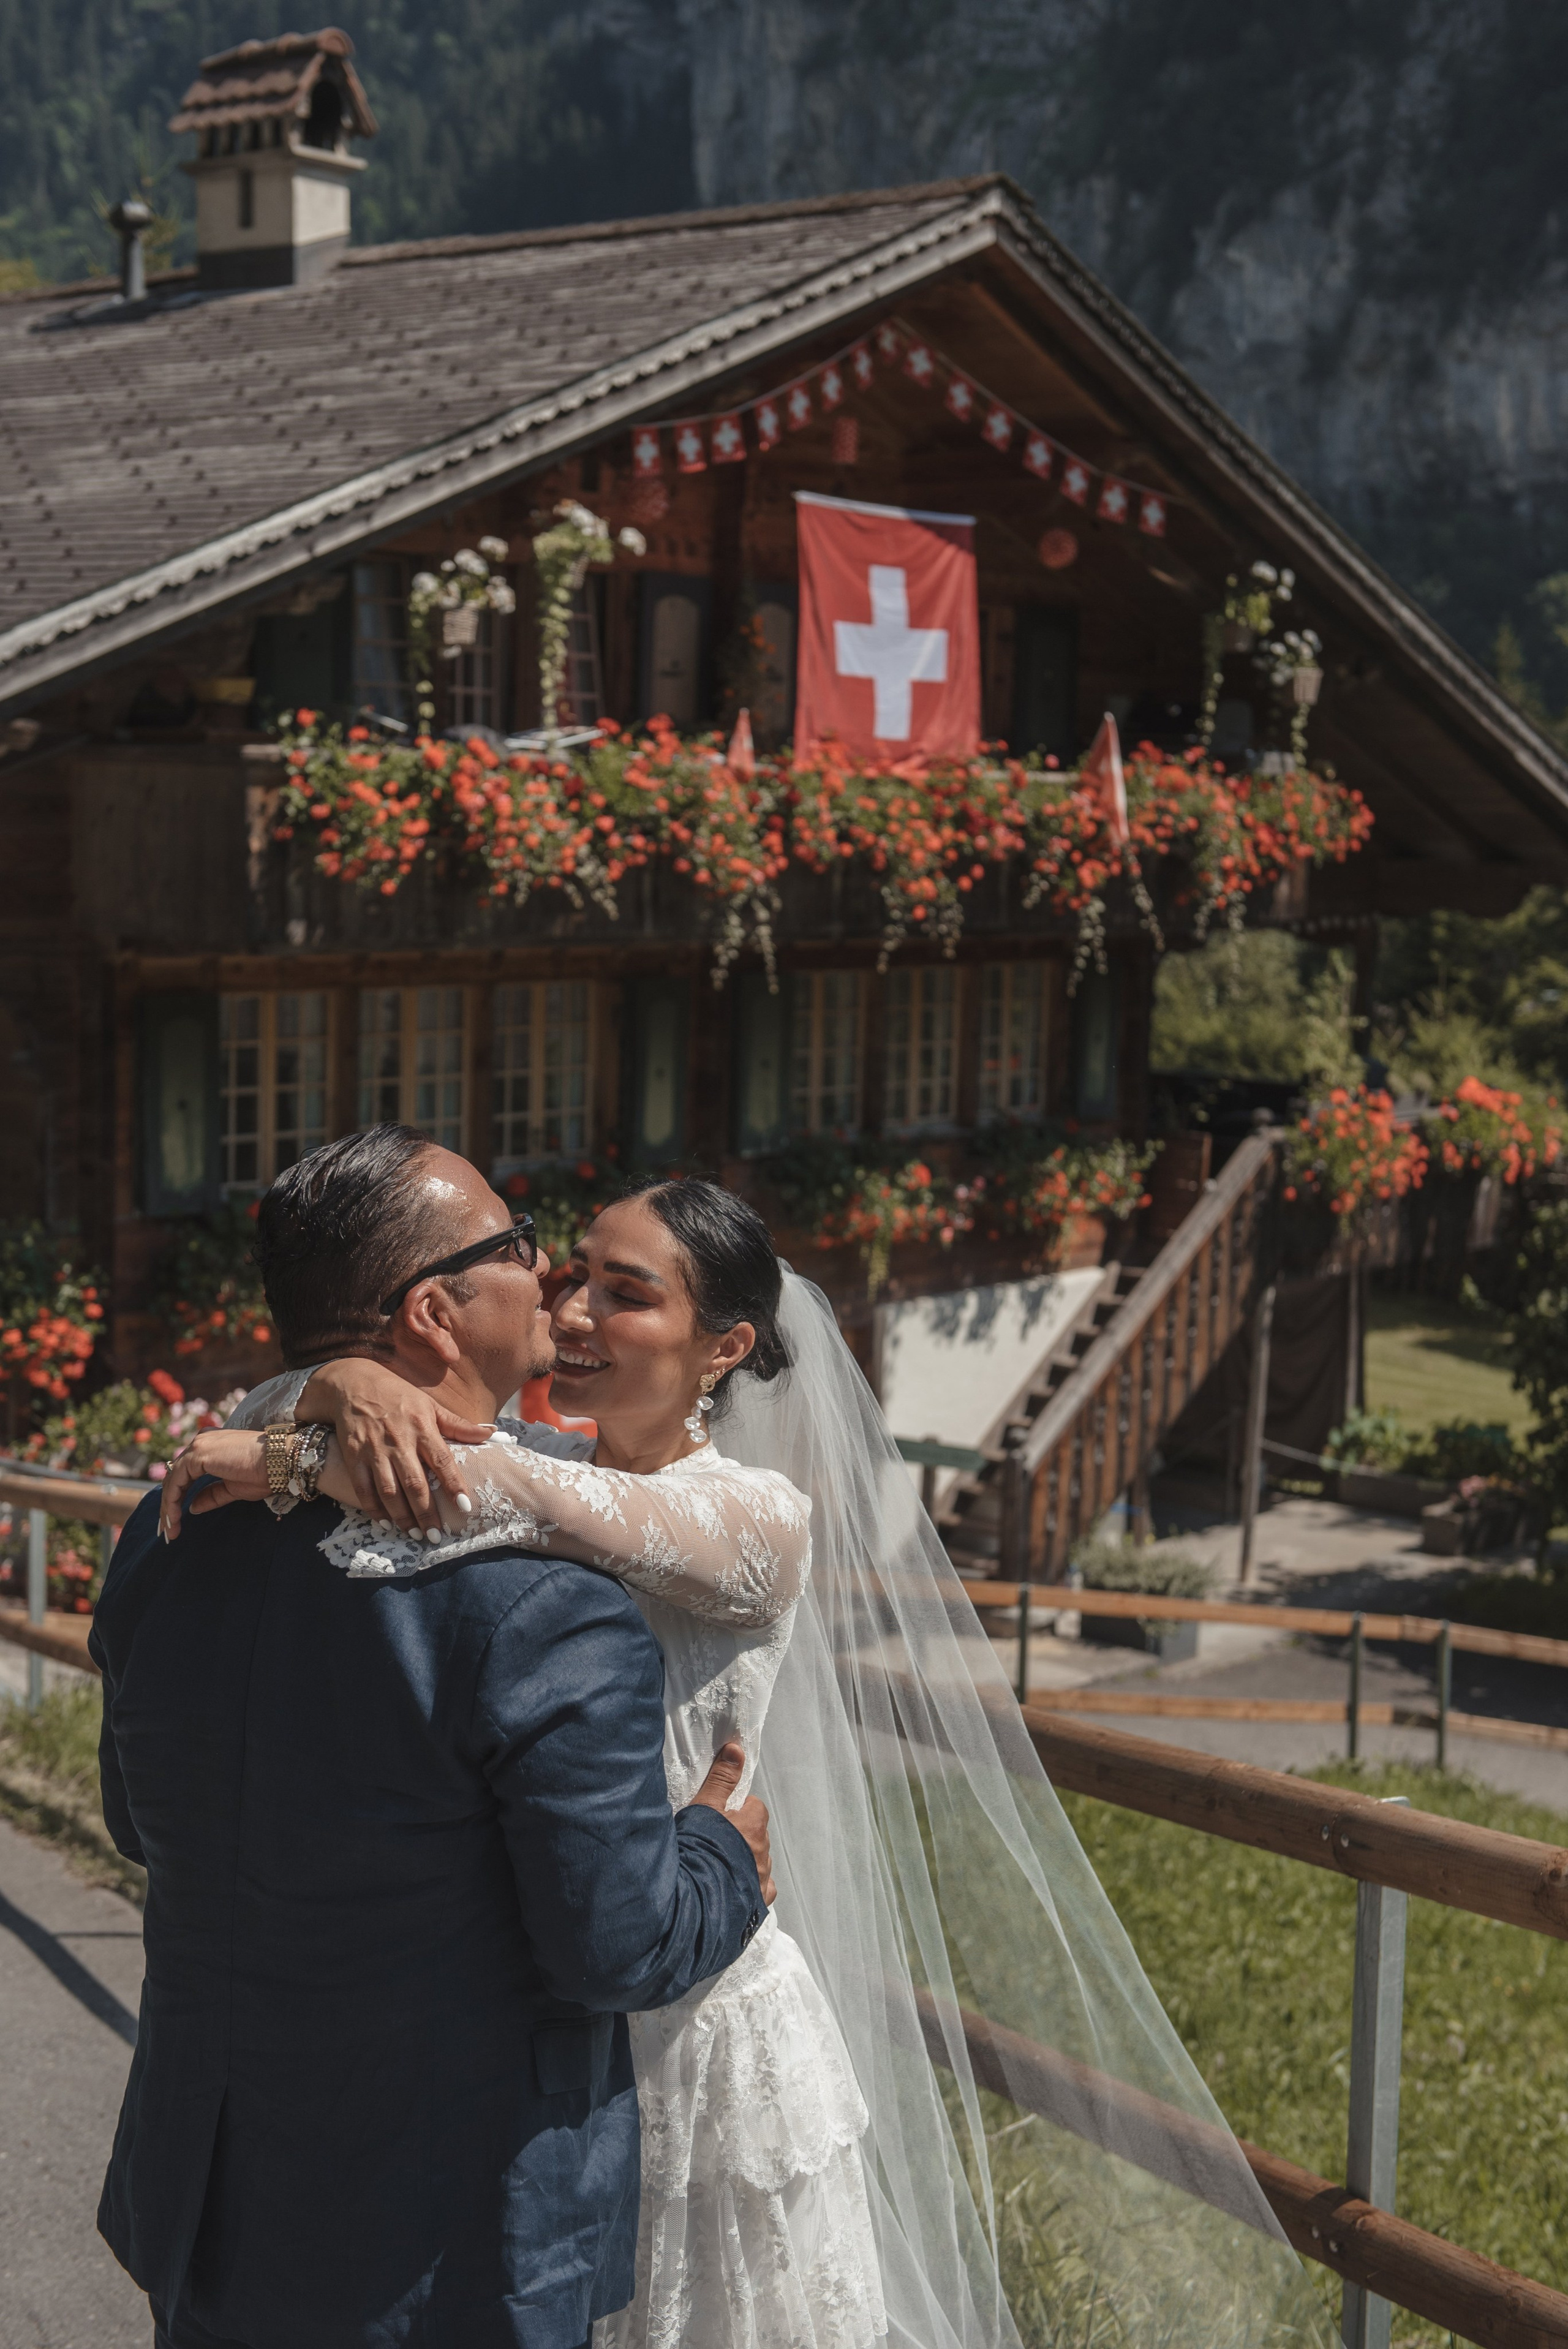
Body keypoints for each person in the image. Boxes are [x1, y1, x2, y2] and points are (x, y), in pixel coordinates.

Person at [165, 1165, 1337, 2349]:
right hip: (541, 2008)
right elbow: (451, 1465)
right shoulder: (530, 1452)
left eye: (625, 1294)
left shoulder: (754, 1517)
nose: (572, 1313)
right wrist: (341, 1380)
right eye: (571, 1276)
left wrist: (293, 1448)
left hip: (693, 2013)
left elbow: (496, 1489)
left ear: (725, 1348)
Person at [92, 1128, 772, 2349]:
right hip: (444, 2236)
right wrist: (722, 1853)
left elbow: (139, 1818)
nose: (548, 1273)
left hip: (214, 2190)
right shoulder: (548, 1611)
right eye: (517, 1247)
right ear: (434, 1314)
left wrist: (317, 1396)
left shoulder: (177, 1522)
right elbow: (616, 1947)